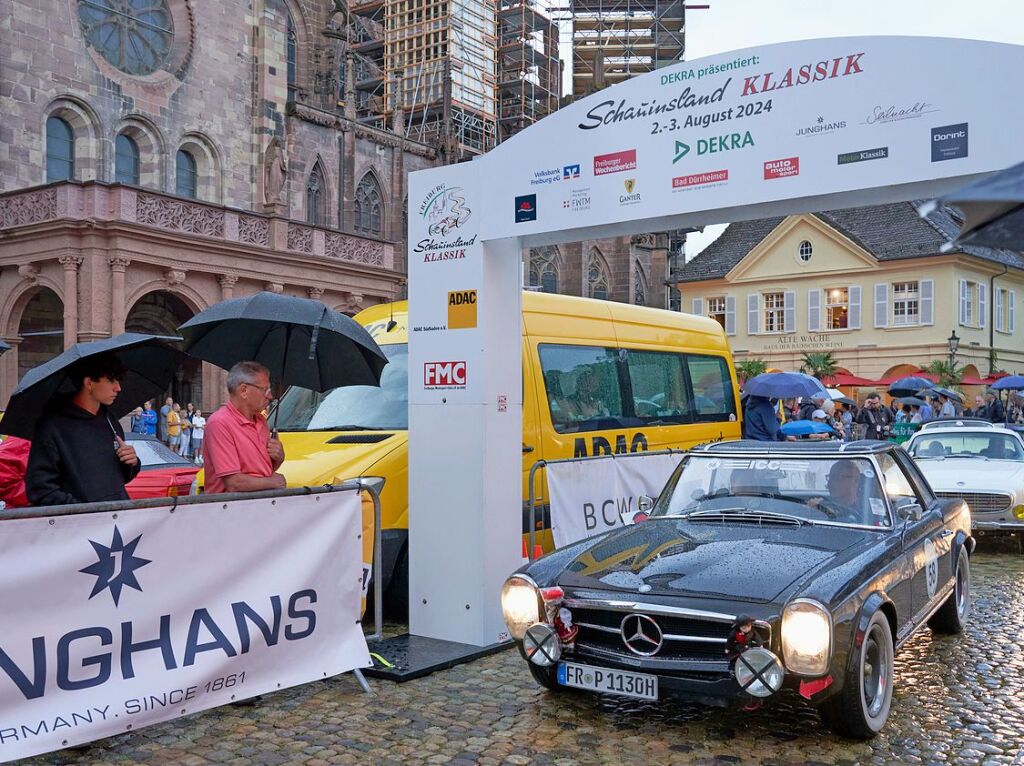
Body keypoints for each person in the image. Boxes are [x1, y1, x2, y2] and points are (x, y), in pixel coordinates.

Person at [25, 352, 140, 506]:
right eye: (111, 380)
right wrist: (81, 511)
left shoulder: (110, 420)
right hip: (80, 525)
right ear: (89, 383)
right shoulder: (52, 427)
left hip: (117, 520)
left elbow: (113, 479)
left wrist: (131, 462)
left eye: (118, 380)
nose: (118, 388)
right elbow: (40, 489)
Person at [204, 361, 286, 493]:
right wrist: (273, 482)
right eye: (265, 390)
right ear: (243, 391)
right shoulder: (219, 423)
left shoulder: (261, 421)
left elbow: (262, 471)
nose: (270, 396)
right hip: (231, 509)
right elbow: (234, 483)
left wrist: (279, 458)